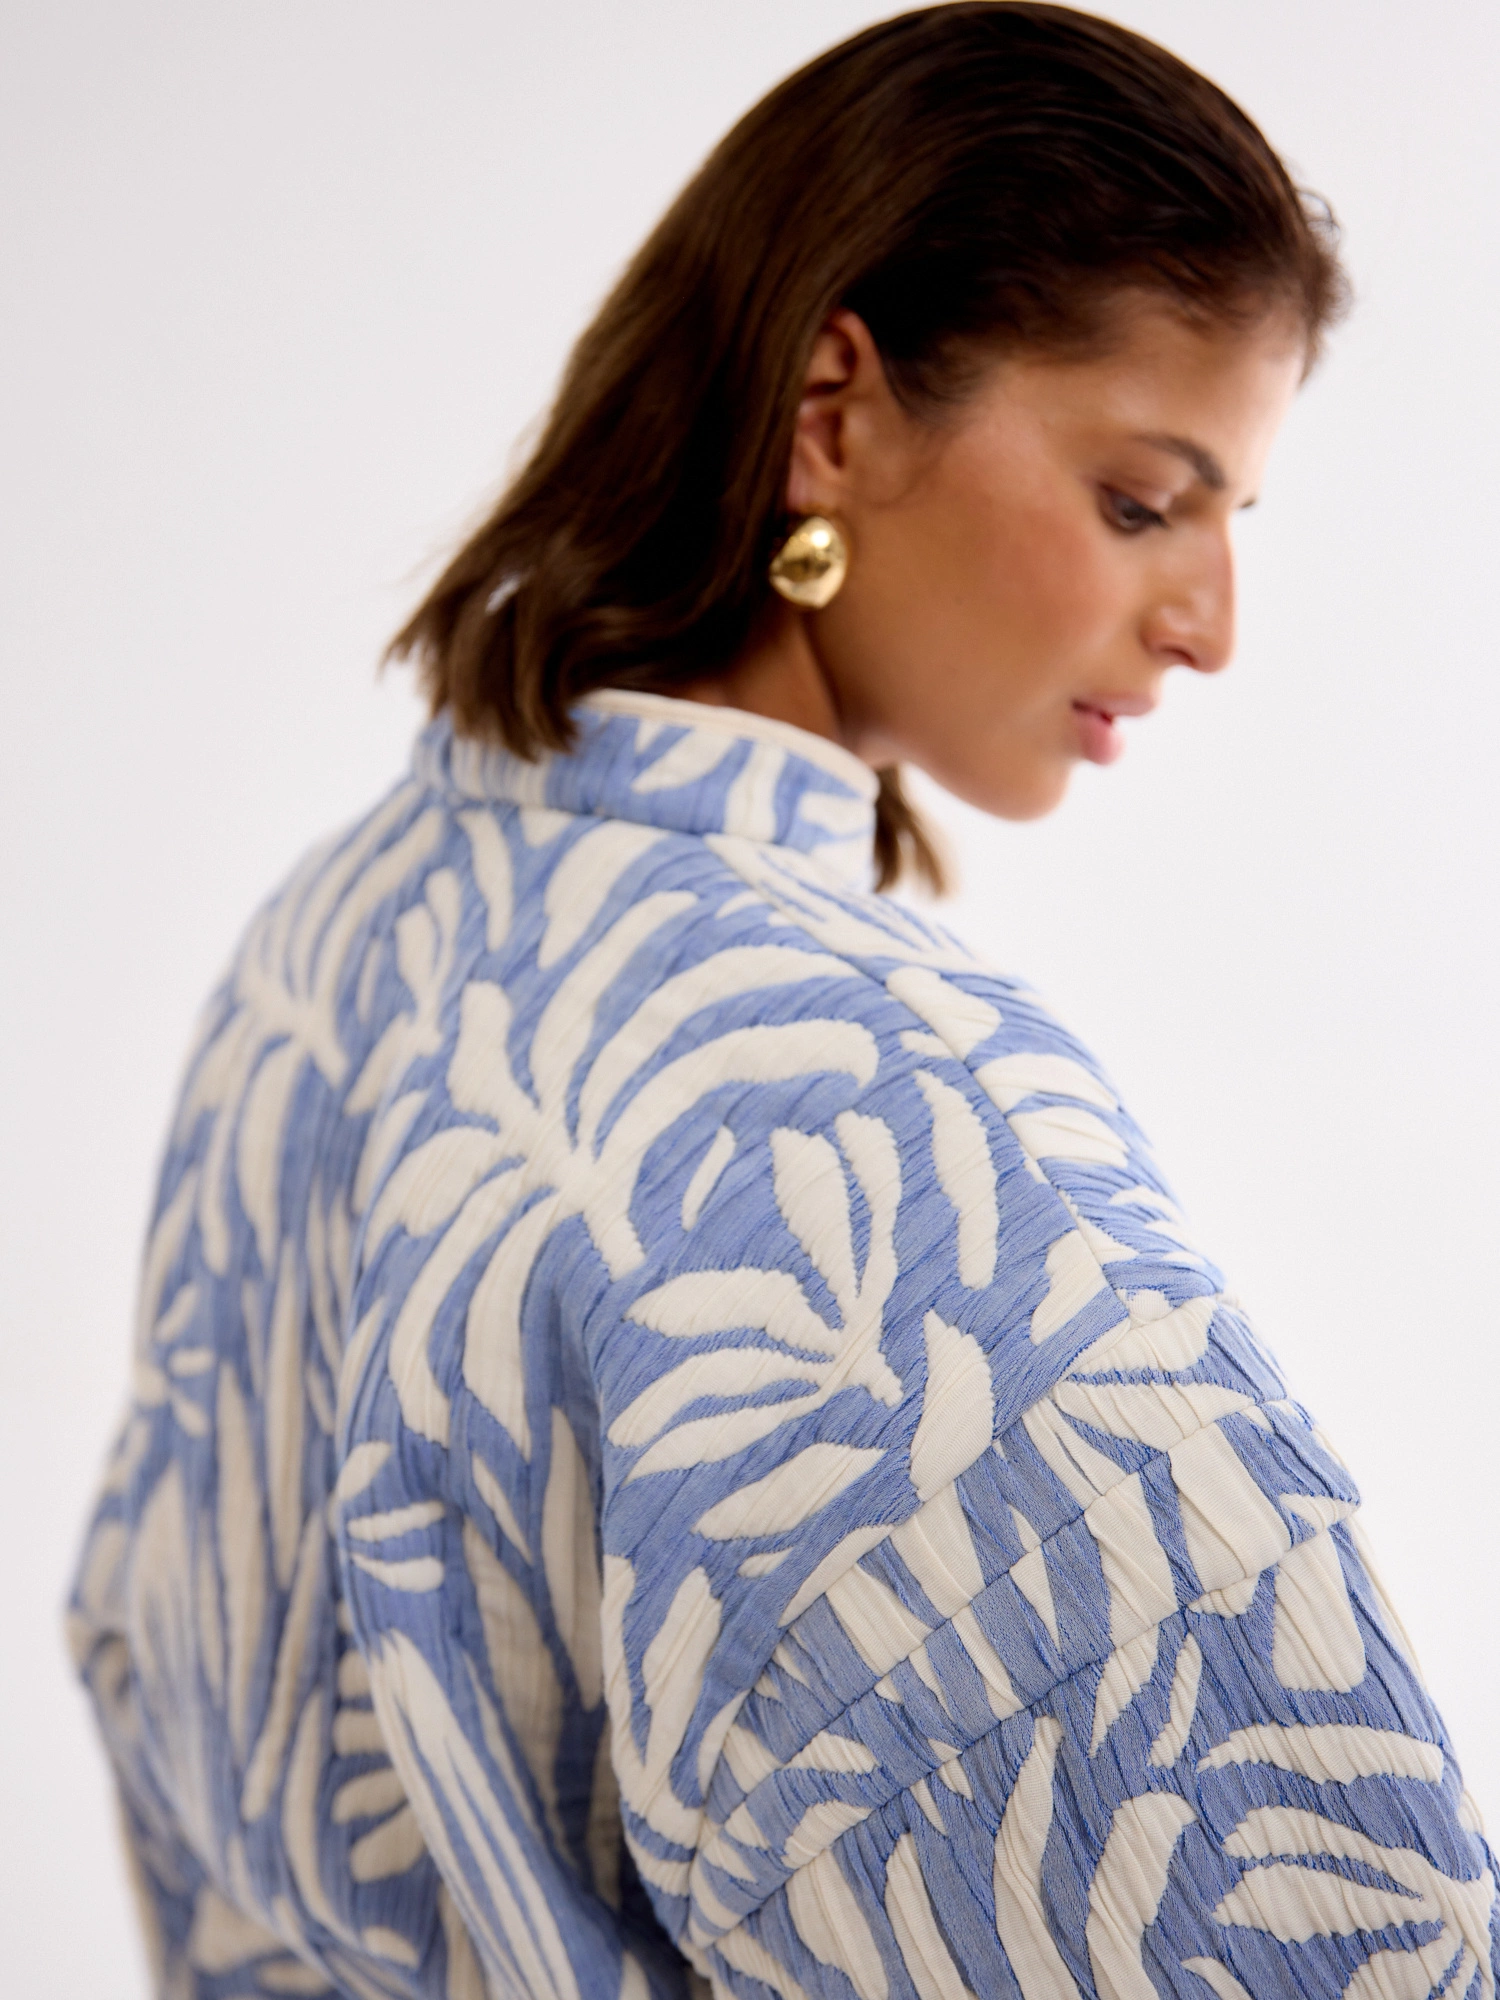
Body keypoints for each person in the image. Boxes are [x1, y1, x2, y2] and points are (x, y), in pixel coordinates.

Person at [70, 5, 1497, 1996]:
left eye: (1230, 522)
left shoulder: (331, 940)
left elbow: (155, 1672)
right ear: (836, 412)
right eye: (1140, 499)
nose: (1211, 627)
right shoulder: (879, 1121)